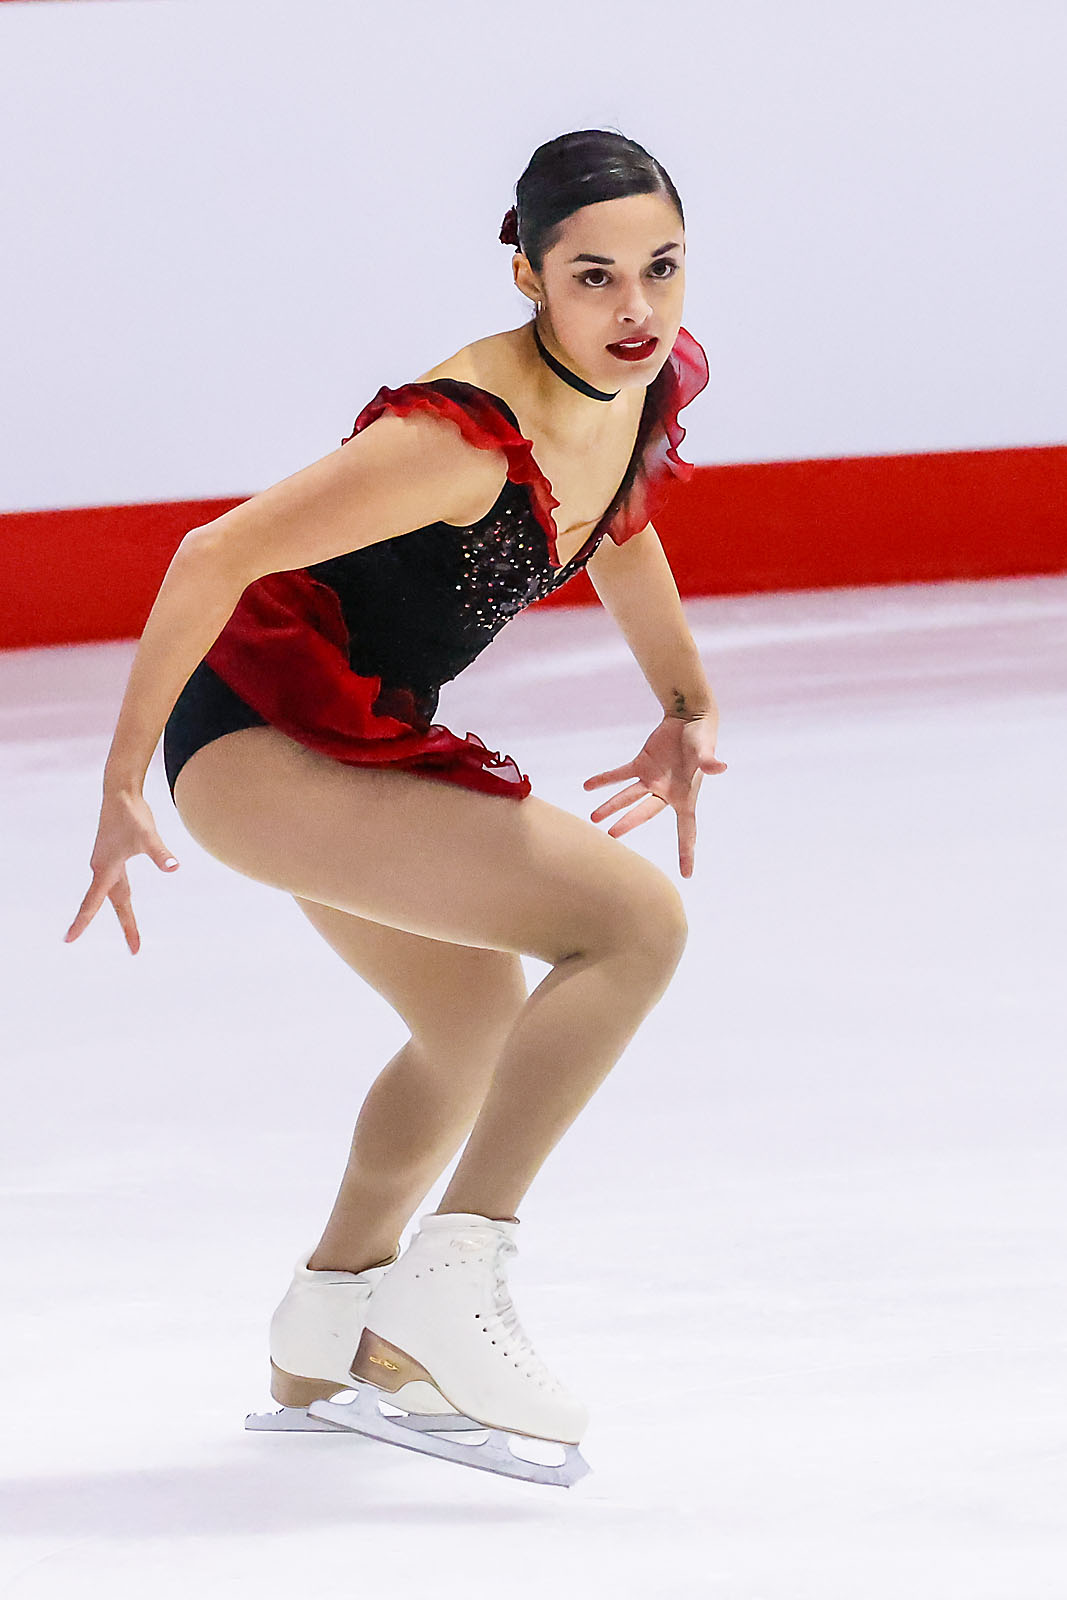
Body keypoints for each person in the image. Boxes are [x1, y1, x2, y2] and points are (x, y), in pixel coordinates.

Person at [62, 128, 727, 1486]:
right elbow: (209, 555)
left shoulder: (629, 386)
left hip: (348, 739)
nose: (636, 310)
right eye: (593, 277)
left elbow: (624, 523)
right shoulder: (453, 440)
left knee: (470, 1019)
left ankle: (329, 1330)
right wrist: (123, 781)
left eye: (660, 269)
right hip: (257, 746)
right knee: (636, 928)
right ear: (530, 272)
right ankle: (456, 1271)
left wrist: (684, 701)